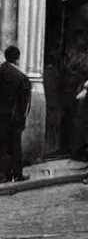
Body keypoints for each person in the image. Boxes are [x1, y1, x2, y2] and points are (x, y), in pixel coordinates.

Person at [0, 46, 32, 183]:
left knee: (2, 145)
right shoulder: (21, 77)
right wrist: (22, 116)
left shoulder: (1, 71)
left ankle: (2, 175)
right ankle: (16, 174)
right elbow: (25, 103)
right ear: (17, 58)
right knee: (15, 146)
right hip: (14, 118)